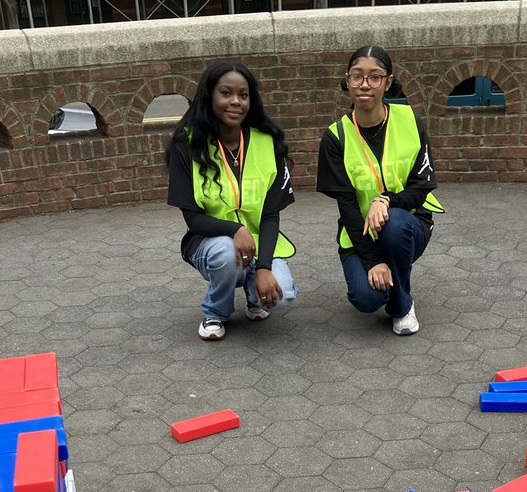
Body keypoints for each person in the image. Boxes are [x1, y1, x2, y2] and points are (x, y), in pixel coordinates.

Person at [317, 44, 443, 336]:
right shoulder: (335, 136)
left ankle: (402, 305)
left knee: (394, 223)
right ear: (347, 81)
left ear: (388, 82)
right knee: (367, 299)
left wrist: (386, 200)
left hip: (408, 225)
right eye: (357, 76)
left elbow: (422, 187)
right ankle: (384, 273)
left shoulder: (410, 121)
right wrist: (372, 261)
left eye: (375, 77)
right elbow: (346, 206)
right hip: (360, 232)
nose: (365, 85)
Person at [166, 61, 298, 340]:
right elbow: (193, 218)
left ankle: (254, 293)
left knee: (282, 296)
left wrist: (263, 268)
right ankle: (216, 311)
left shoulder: (267, 141)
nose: (236, 101)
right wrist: (234, 230)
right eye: (226, 93)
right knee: (226, 254)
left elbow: (271, 214)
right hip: (210, 243)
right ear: (209, 96)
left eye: (244, 95)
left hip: (259, 241)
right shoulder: (187, 144)